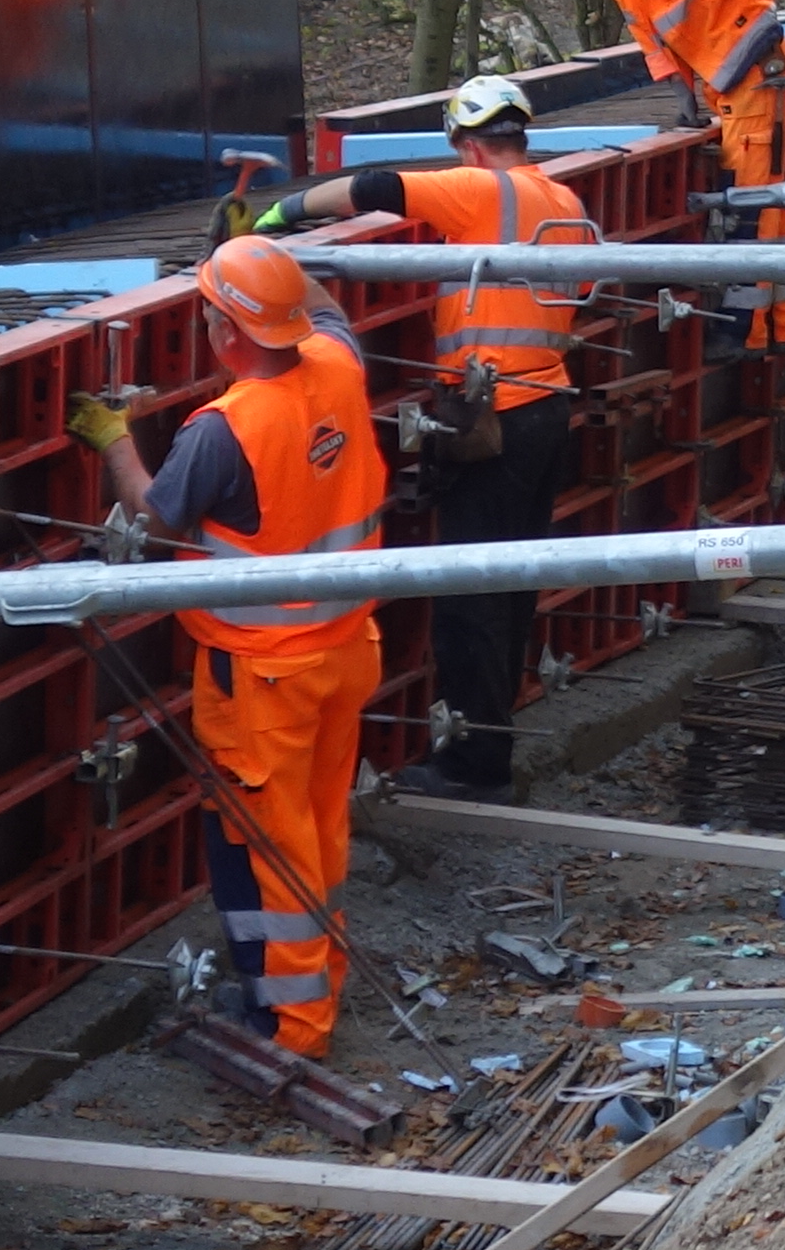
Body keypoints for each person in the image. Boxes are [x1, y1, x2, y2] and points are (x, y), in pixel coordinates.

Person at [77, 238, 387, 1058]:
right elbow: (325, 309)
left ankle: (292, 1025)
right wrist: (270, 243)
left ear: (223, 335)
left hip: (263, 678)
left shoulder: (224, 430)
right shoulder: (338, 364)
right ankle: (317, 986)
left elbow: (154, 519)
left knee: (269, 848)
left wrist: (113, 440)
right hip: (347, 647)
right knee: (318, 829)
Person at [251, 72, 598, 797]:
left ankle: (476, 767)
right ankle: (492, 739)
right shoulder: (560, 198)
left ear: (467, 144)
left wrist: (276, 220)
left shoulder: (480, 190)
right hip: (547, 410)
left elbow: (373, 186)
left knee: (468, 593)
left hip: (493, 418)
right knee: (511, 585)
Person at [553, 0, 785, 343]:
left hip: (753, 65)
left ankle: (746, 332)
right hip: (717, 79)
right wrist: (678, 91)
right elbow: (646, 30)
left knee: (751, 204)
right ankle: (773, 325)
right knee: (759, 200)